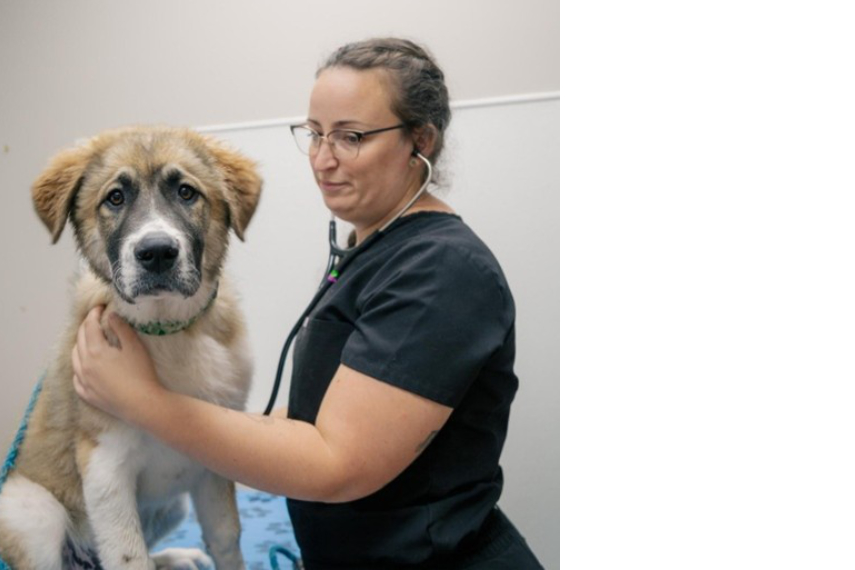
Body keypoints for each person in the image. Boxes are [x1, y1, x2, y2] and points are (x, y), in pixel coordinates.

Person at [71, 38, 543, 569]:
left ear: (421, 142)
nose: (323, 159)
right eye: (315, 134)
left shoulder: (441, 271)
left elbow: (336, 463)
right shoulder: (373, 246)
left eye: (351, 137)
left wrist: (139, 400)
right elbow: (328, 412)